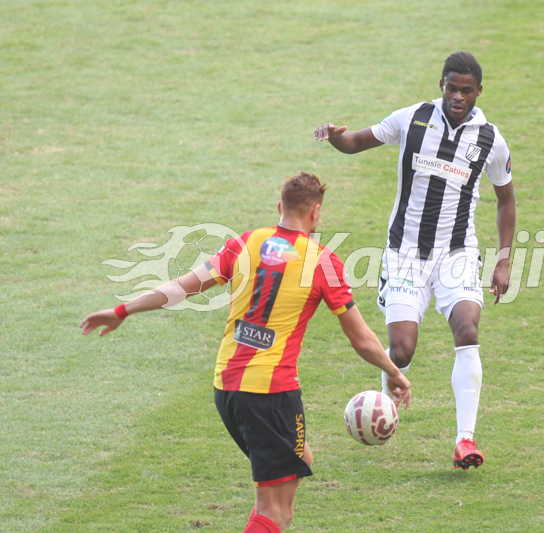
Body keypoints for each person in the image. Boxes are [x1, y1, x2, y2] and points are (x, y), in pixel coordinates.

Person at [80, 172, 411, 533]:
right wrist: (394, 372)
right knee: (275, 511)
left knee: (300, 458)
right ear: (315, 212)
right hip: (270, 393)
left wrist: (123, 310)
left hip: (227, 388)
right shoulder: (322, 261)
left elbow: (180, 288)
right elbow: (362, 340)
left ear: (279, 206)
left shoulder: (245, 243)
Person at [315, 51, 515, 470]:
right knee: (402, 350)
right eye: (451, 88)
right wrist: (334, 137)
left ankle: (465, 439)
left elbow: (506, 199)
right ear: (441, 85)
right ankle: (382, 411)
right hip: (405, 254)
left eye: (466, 91)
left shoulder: (490, 139)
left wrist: (503, 260)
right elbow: (356, 142)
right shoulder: (413, 119)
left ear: (479, 92)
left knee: (467, 329)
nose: (457, 97)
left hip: (458, 253)